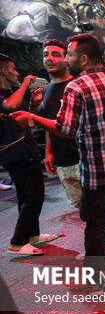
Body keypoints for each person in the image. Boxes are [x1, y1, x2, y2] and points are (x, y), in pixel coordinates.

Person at [12, 34, 105, 292]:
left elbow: (66, 128)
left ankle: (97, 277)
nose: (67, 60)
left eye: (69, 55)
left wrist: (33, 118)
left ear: (83, 59)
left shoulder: (77, 87)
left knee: (95, 223)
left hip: (97, 168)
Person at [39, 39, 105, 266]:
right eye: (46, 54)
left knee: (99, 205)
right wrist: (49, 152)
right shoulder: (46, 90)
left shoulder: (80, 84)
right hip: (62, 160)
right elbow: (50, 124)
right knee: (82, 208)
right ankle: (96, 247)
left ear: (68, 58)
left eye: (56, 54)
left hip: (86, 158)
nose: (50, 58)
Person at [0, 54, 58, 256]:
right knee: (33, 197)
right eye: (14, 69)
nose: (17, 73)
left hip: (27, 149)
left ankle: (32, 235)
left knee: (29, 196)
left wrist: (34, 103)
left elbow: (29, 119)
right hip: (14, 153)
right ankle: (17, 242)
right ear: (4, 71)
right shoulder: (7, 96)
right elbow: (9, 106)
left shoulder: (12, 92)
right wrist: (25, 84)